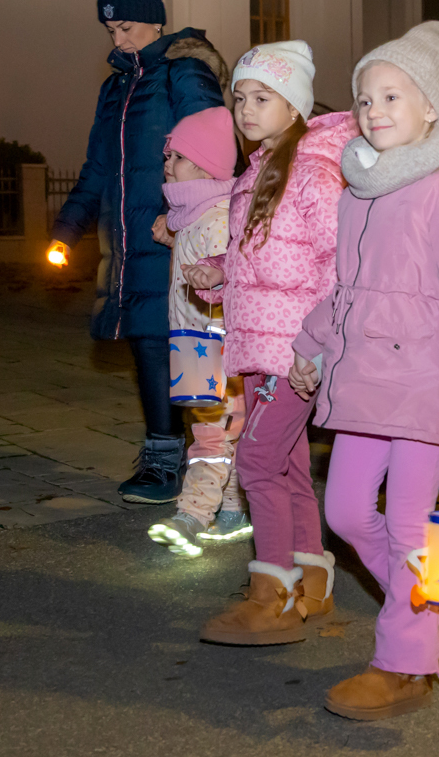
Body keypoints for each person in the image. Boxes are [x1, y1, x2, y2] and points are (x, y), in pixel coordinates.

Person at [289, 21, 439, 721]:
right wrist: (311, 345)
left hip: (426, 383)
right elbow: (348, 288)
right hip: (364, 380)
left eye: (391, 96)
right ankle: (430, 604)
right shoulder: (362, 187)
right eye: (364, 98)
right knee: (346, 512)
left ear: (431, 108)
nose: (373, 110)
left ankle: (403, 661)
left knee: (409, 524)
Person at [188, 41, 355, 645]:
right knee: (286, 464)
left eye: (263, 97)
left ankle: (272, 599)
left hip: (295, 351)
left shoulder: (314, 173)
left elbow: (337, 266)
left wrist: (320, 345)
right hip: (258, 344)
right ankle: (312, 584)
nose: (246, 109)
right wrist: (218, 268)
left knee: (257, 462)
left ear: (295, 107)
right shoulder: (256, 170)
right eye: (240, 98)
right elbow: (259, 256)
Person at [50, 0, 227, 505]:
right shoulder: (116, 88)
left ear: (155, 21)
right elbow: (98, 167)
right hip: (129, 239)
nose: (119, 40)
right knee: (147, 343)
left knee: (181, 346)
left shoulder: (184, 73)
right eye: (111, 31)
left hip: (177, 236)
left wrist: (184, 217)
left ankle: (189, 460)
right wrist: (66, 231)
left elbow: (213, 149)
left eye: (126, 27)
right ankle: (167, 456)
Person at [145, 106, 251, 552]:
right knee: (218, 430)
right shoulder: (192, 216)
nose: (167, 164)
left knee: (211, 432)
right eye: (167, 156)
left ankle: (192, 515)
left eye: (178, 157)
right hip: (191, 343)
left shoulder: (219, 219)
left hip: (215, 346)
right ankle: (232, 510)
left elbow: (231, 279)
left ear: (205, 167)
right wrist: (174, 235)